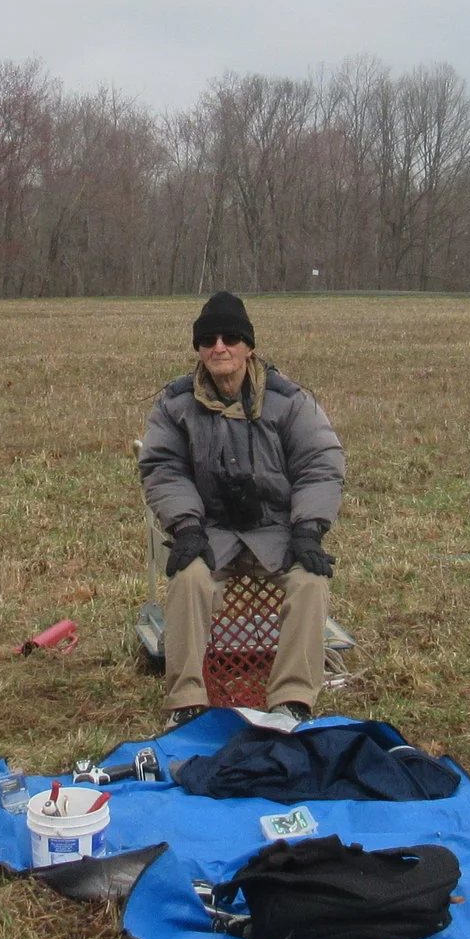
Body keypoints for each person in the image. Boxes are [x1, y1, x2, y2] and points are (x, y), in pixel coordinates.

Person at [138, 291, 345, 725]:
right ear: (198, 348)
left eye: (230, 338)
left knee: (311, 581)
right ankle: (187, 702)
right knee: (188, 576)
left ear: (249, 346)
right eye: (209, 339)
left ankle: (291, 700)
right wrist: (187, 526)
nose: (219, 347)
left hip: (277, 531)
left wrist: (308, 528)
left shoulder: (290, 401)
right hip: (211, 533)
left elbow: (321, 465)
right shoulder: (174, 404)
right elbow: (163, 468)